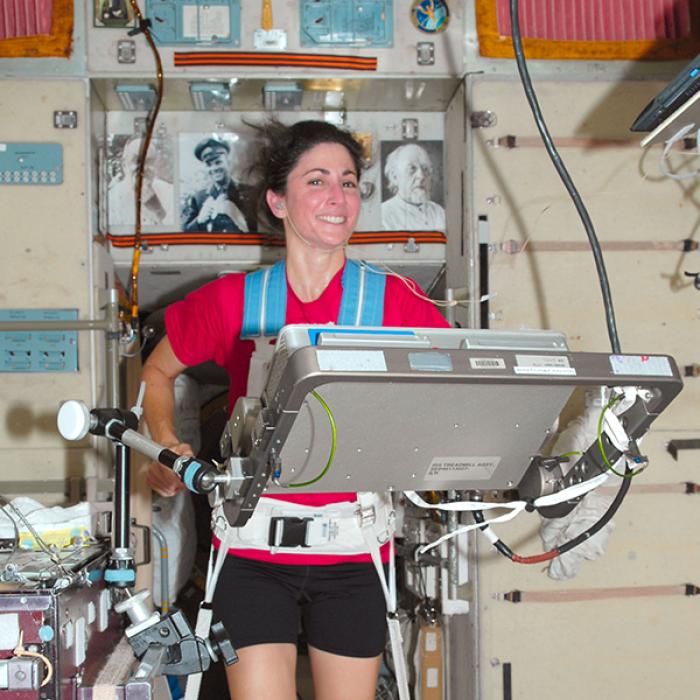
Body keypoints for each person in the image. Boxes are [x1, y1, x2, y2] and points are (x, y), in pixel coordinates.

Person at [142, 120, 449, 700]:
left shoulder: (396, 304)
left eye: (350, 182)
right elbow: (157, 371)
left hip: (354, 549)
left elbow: (455, 388)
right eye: (318, 181)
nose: (338, 197)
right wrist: (165, 447)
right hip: (251, 548)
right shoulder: (233, 300)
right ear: (278, 201)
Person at [181, 137, 256, 233]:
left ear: (228, 162)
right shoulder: (198, 198)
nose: (214, 168)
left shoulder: (251, 193)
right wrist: (199, 221)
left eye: (218, 162)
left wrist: (238, 217)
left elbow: (264, 232)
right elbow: (184, 234)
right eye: (208, 164)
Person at [108, 136, 174, 227]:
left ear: (155, 165)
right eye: (136, 161)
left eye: (149, 161)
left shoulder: (169, 192)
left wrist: (158, 210)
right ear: (124, 166)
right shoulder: (112, 199)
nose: (143, 167)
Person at [381, 142, 446, 231]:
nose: (421, 176)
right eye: (412, 168)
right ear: (394, 177)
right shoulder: (383, 215)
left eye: (425, 169)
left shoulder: (439, 212)